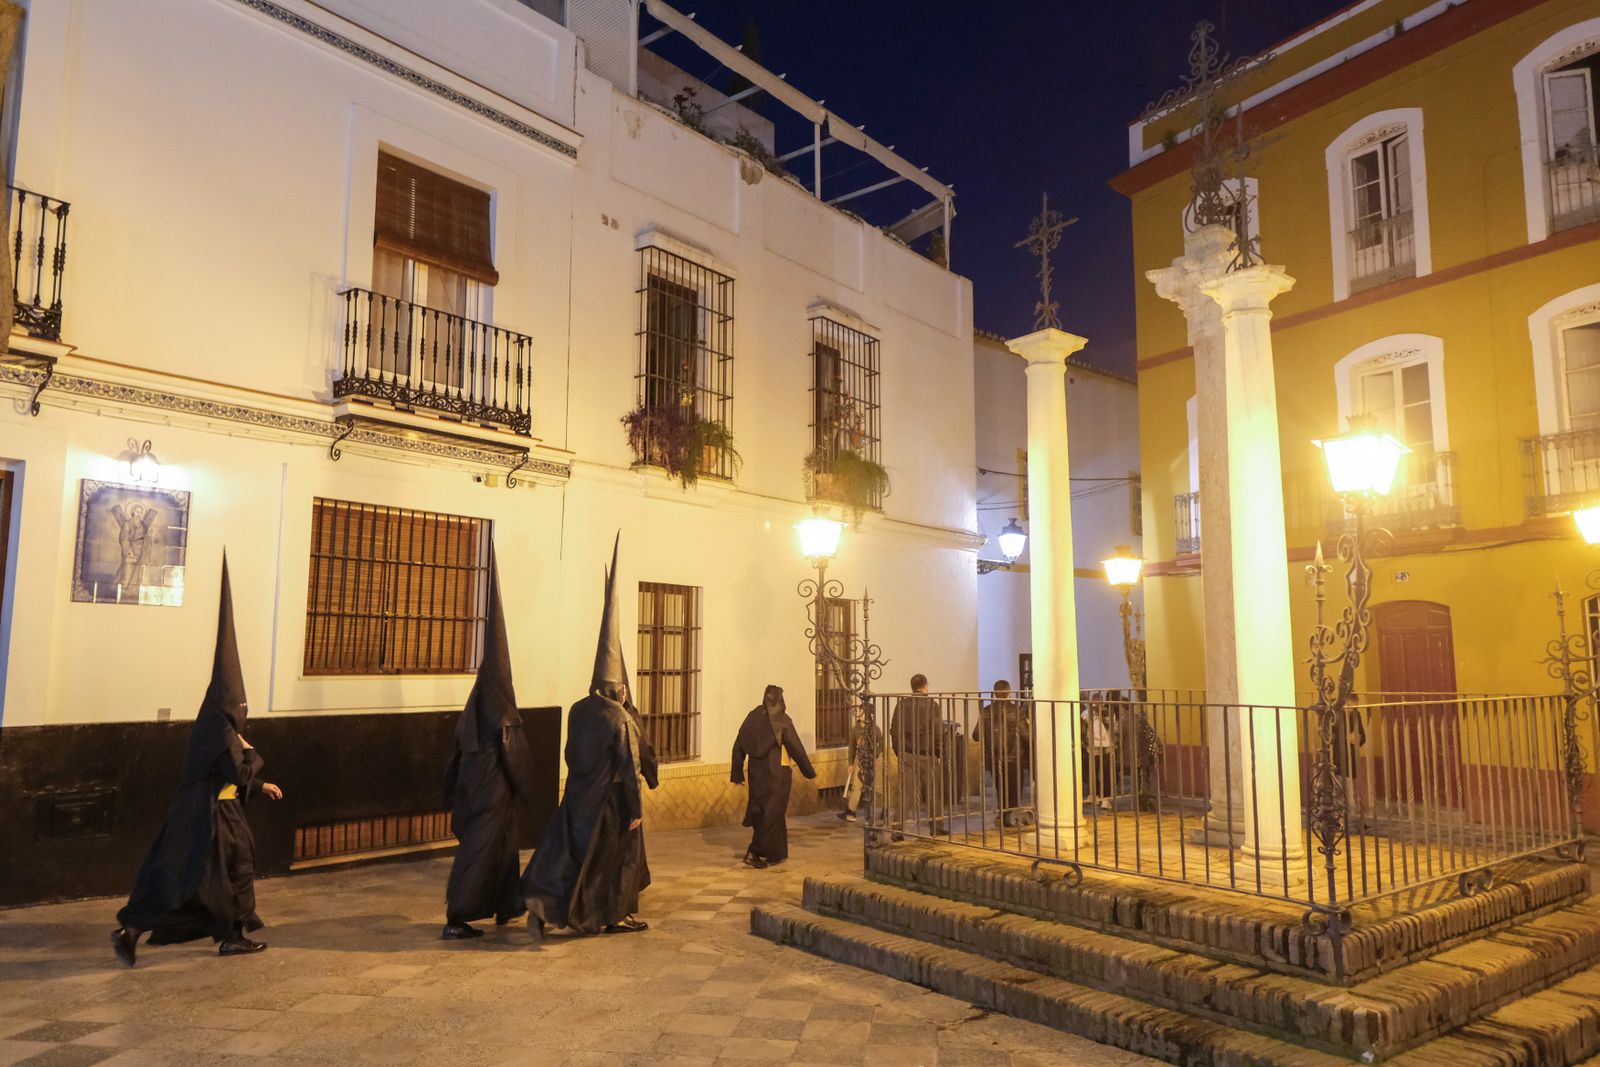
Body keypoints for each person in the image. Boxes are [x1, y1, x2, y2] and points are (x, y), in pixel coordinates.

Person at [112, 556, 283, 966]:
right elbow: (236, 768)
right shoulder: (221, 731)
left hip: (208, 811)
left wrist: (260, 786)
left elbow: (224, 776)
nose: (242, 710)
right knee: (226, 869)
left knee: (203, 878)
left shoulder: (213, 727)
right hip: (211, 817)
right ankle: (228, 935)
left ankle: (217, 933)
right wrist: (252, 752)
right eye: (239, 705)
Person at [522, 536, 650, 940]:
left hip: (576, 796)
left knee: (566, 857)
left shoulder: (579, 708)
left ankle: (542, 909)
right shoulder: (619, 719)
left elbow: (568, 753)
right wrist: (634, 809)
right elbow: (629, 768)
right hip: (608, 803)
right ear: (618, 688)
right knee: (610, 862)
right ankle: (610, 916)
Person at [442, 552, 539, 940]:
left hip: (476, 791)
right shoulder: (502, 713)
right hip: (492, 794)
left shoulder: (473, 709)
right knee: (479, 853)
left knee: (502, 849)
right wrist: (532, 792)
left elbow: (455, 758)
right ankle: (458, 917)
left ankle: (507, 903)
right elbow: (516, 757)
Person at [732, 685, 816, 867]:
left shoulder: (753, 717)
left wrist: (737, 772)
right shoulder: (783, 721)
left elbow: (739, 743)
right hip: (776, 775)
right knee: (773, 814)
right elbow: (796, 747)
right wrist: (809, 772)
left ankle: (775, 853)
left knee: (762, 812)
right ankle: (756, 851)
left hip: (756, 773)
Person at [889, 674, 946, 835]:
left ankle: (897, 828)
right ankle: (937, 827)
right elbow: (938, 731)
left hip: (906, 753)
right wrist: (939, 752)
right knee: (933, 791)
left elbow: (894, 729)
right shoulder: (931, 705)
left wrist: (898, 751)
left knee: (905, 792)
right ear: (926, 687)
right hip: (926, 754)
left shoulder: (902, 705)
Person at [975, 680, 1031, 828]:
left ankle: (1003, 813)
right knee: (1014, 787)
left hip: (994, 757)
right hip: (1013, 757)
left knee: (1001, 787)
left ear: (994, 693)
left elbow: (976, 735)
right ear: (1009, 692)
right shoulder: (1016, 710)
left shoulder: (986, 711)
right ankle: (1010, 815)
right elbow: (1026, 735)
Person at [838, 700, 882, 823]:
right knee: (856, 785)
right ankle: (851, 811)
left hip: (874, 760)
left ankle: (885, 809)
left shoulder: (874, 728)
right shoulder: (855, 729)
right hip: (861, 760)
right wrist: (851, 763)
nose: (858, 713)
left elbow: (881, 742)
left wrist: (875, 753)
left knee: (878, 785)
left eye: (861, 711)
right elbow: (852, 746)